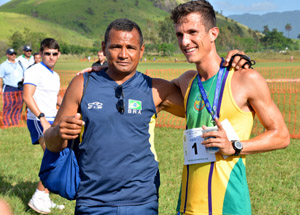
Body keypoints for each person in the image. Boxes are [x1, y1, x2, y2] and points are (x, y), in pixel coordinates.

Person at [45, 18, 247, 215]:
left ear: (141, 50)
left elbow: (208, 97)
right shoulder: (82, 84)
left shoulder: (156, 89)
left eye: (131, 48)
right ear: (104, 48)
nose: (124, 54)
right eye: (116, 47)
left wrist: (229, 64)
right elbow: (51, 142)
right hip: (92, 200)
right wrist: (59, 133)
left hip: (142, 201)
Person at [170, 1, 290, 214]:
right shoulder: (186, 82)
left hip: (229, 206)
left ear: (213, 33)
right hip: (188, 206)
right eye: (180, 34)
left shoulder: (245, 79)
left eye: (192, 32)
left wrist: (235, 146)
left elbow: (281, 135)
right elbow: (145, 90)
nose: (185, 41)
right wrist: (105, 68)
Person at [23, 38, 64, 214]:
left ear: (59, 54)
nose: (51, 57)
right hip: (39, 120)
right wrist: (41, 118)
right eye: (47, 54)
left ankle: (44, 198)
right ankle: (38, 196)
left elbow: (55, 98)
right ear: (41, 54)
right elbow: (27, 96)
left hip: (52, 118)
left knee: (57, 156)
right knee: (54, 156)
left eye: (54, 54)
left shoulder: (55, 75)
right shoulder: (34, 71)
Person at [0, 48, 24, 126]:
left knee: (18, 105)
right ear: (7, 55)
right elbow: (0, 77)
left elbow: (24, 74)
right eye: (11, 54)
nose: (13, 55)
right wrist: (0, 88)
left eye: (14, 53)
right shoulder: (3, 65)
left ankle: (15, 123)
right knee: (8, 105)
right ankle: (6, 123)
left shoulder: (19, 63)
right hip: (9, 88)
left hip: (19, 88)